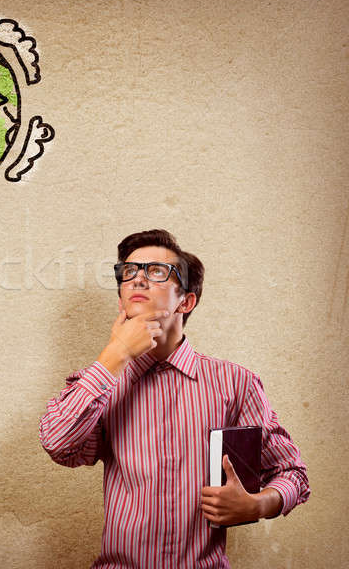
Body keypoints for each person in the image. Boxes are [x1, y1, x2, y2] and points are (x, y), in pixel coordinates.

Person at [39, 229, 310, 568]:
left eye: (155, 271)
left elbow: (292, 472)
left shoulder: (235, 383)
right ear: (121, 299)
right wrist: (117, 353)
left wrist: (258, 505)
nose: (137, 280)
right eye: (129, 272)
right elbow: (56, 444)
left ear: (186, 301)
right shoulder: (103, 382)